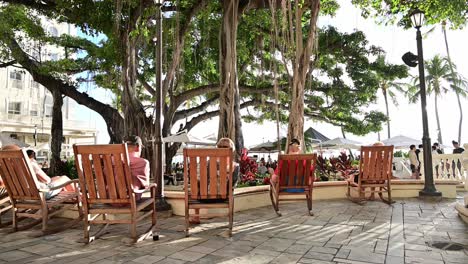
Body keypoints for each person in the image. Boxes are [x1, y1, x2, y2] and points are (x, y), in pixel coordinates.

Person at [190, 137, 239, 224]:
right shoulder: (235, 166)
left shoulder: (206, 163)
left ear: (217, 149)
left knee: (197, 186)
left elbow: (196, 179)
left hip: (203, 198)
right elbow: (233, 185)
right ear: (232, 151)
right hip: (223, 198)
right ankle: (230, 220)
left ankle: (196, 217)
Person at [4, 145, 75, 199]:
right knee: (65, 178)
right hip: (42, 193)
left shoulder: (5, 169)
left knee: (58, 178)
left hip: (19, 196)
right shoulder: (29, 164)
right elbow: (47, 180)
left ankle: (75, 198)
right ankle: (80, 199)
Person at [124, 135, 150, 200]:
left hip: (108, 199)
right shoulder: (143, 163)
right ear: (138, 147)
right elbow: (145, 185)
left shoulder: (111, 160)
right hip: (130, 200)